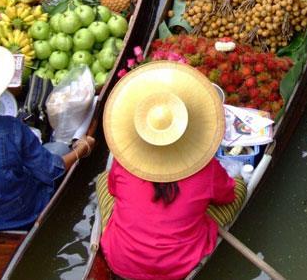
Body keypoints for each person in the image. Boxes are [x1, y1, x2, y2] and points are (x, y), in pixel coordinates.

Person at [98, 61, 246, 280]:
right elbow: (228, 196)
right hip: (178, 268)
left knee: (103, 179)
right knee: (239, 187)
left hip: (121, 260)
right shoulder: (206, 170)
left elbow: (113, 190)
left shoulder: (125, 163)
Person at [0, 39, 95, 232]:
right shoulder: (8, 129)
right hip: (20, 215)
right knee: (59, 148)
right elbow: (50, 170)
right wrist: (81, 150)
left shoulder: (6, 130)